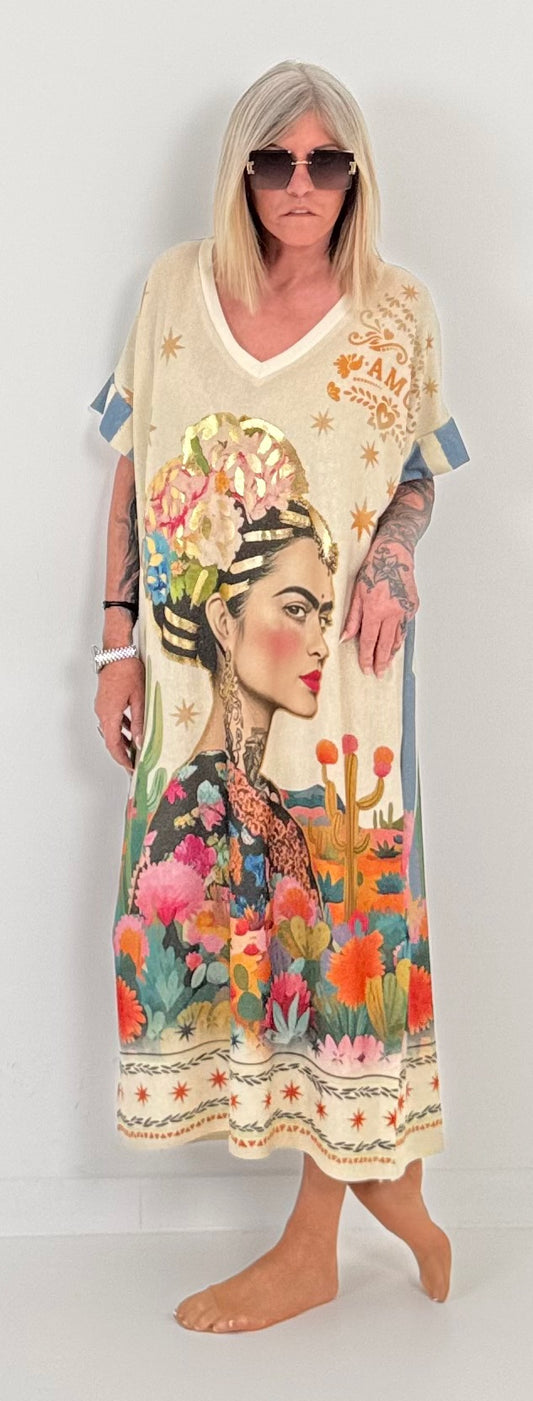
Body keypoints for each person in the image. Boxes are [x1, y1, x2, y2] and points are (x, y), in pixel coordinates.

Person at [89, 60, 470, 1333]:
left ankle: (320, 1234)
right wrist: (112, 646)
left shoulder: (396, 311)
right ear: (241, 173)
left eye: (324, 162)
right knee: (207, 921)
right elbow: (131, 471)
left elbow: (414, 473)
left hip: (346, 693)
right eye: (273, 161)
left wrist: (396, 552)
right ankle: (384, 1188)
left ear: (352, 176)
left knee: (342, 930)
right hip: (193, 699)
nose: (298, 185)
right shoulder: (171, 292)